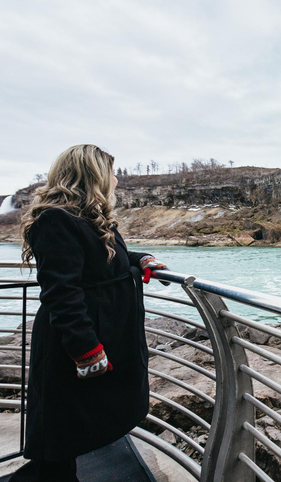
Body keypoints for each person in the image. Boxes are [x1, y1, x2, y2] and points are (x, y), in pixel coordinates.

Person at [13, 145, 168, 481]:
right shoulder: (56, 219)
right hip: (72, 341)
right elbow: (61, 291)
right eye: (111, 172)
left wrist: (139, 258)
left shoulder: (87, 217)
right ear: (94, 174)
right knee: (59, 432)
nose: (116, 178)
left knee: (71, 426)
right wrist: (86, 351)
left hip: (96, 333)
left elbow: (103, 257)